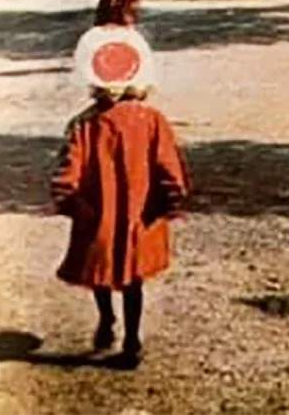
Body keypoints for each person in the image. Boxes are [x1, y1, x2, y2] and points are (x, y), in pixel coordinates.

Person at [51, 26, 191, 370]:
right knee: (132, 281)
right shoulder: (153, 121)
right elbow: (169, 170)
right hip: (137, 219)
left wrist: (76, 207)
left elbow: (66, 177)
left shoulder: (83, 124)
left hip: (97, 217)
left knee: (99, 273)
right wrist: (166, 205)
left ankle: (106, 320)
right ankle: (131, 338)